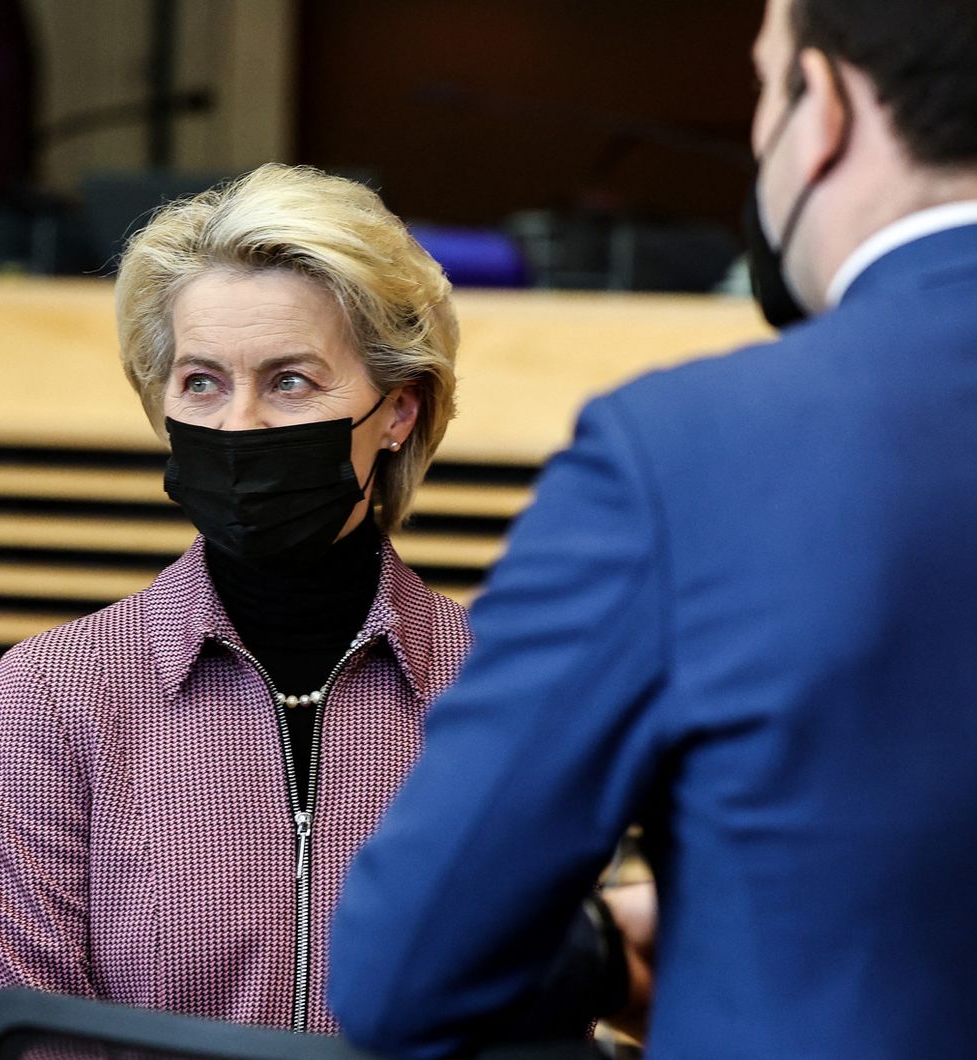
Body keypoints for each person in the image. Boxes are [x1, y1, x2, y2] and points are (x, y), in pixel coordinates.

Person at [328, 0, 977, 1057]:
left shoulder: (684, 453)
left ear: (826, 110)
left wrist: (606, 949)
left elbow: (404, 971)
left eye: (765, 85)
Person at [0, 164, 472, 1035]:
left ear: (399, 410)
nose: (237, 425)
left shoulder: (492, 690)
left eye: (290, 381)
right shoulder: (57, 693)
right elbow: (27, 1038)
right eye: (201, 382)